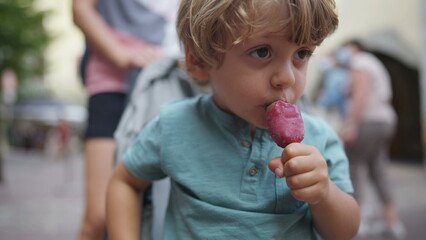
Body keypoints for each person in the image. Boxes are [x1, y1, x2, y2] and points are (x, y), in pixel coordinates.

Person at [107, 0, 360, 239]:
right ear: (199, 61)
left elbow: (344, 232)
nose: (288, 78)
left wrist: (324, 194)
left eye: (302, 54)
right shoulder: (174, 125)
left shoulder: (320, 140)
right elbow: (125, 182)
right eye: (262, 52)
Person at [72, 0, 180, 239]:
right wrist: (122, 55)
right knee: (99, 217)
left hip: (167, 81)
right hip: (114, 83)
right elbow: (81, 9)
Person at [339, 40, 406, 239]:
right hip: (386, 120)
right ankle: (393, 222)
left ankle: (359, 222)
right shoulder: (373, 61)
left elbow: (361, 94)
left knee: (353, 166)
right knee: (377, 170)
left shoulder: (359, 61)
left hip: (369, 121)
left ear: (355, 48)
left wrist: (351, 124)